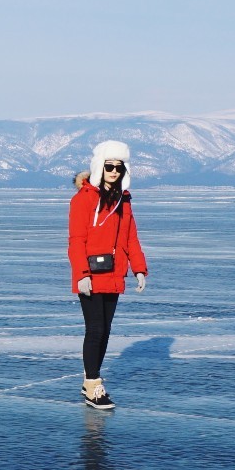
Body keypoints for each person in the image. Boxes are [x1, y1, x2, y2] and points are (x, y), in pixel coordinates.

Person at [67, 140, 147, 409]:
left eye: (119, 167)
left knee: (105, 331)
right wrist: (82, 274)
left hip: (114, 274)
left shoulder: (123, 201)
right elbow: (76, 240)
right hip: (90, 274)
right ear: (100, 167)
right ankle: (92, 385)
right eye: (109, 166)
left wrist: (138, 268)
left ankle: (90, 380)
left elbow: (131, 238)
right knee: (95, 329)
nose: (114, 171)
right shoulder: (84, 199)